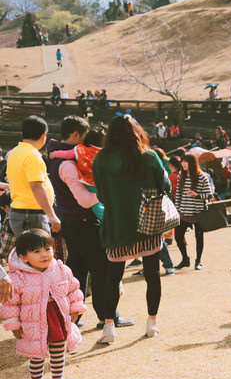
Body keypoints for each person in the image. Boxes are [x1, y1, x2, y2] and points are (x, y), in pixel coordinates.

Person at [46, 116, 133, 329]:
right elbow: (84, 200)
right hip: (83, 221)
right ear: (76, 134)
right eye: (84, 136)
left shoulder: (59, 158)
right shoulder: (67, 164)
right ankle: (107, 316)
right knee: (101, 269)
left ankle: (73, 315)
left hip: (72, 221)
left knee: (78, 269)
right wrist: (107, 194)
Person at [93, 114, 171, 343]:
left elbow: (100, 195)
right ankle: (152, 323)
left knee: (113, 277)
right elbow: (164, 185)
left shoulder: (100, 160)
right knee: (152, 274)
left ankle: (109, 327)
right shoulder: (148, 156)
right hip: (147, 223)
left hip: (116, 225)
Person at [1, 229, 87, 379]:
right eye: (36, 251)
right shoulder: (18, 277)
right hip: (33, 319)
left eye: (47, 249)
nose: (44, 254)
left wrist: (75, 307)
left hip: (57, 315)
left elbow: (73, 288)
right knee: (36, 352)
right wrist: (14, 324)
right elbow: (10, 302)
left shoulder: (61, 269)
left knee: (58, 347)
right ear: (23, 257)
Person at [6, 116, 60, 237]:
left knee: (28, 248)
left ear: (22, 133)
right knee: (41, 249)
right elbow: (37, 187)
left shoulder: (14, 152)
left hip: (18, 212)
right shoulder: (32, 156)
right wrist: (51, 215)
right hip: (32, 215)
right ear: (44, 135)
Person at [173, 154, 214, 270]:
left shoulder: (201, 176)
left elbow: (210, 195)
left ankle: (198, 261)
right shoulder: (181, 175)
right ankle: (185, 259)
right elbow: (178, 194)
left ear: (192, 163)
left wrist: (197, 195)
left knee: (199, 237)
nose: (183, 164)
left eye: (186, 162)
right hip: (184, 211)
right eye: (182, 162)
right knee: (178, 236)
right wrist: (177, 210)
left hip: (198, 212)